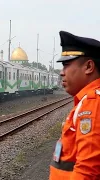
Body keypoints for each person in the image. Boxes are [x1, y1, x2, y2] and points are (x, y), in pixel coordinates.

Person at [49, 31, 100, 179]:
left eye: (66, 65)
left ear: (89, 67)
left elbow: (88, 171)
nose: (61, 73)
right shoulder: (86, 101)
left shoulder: (92, 103)